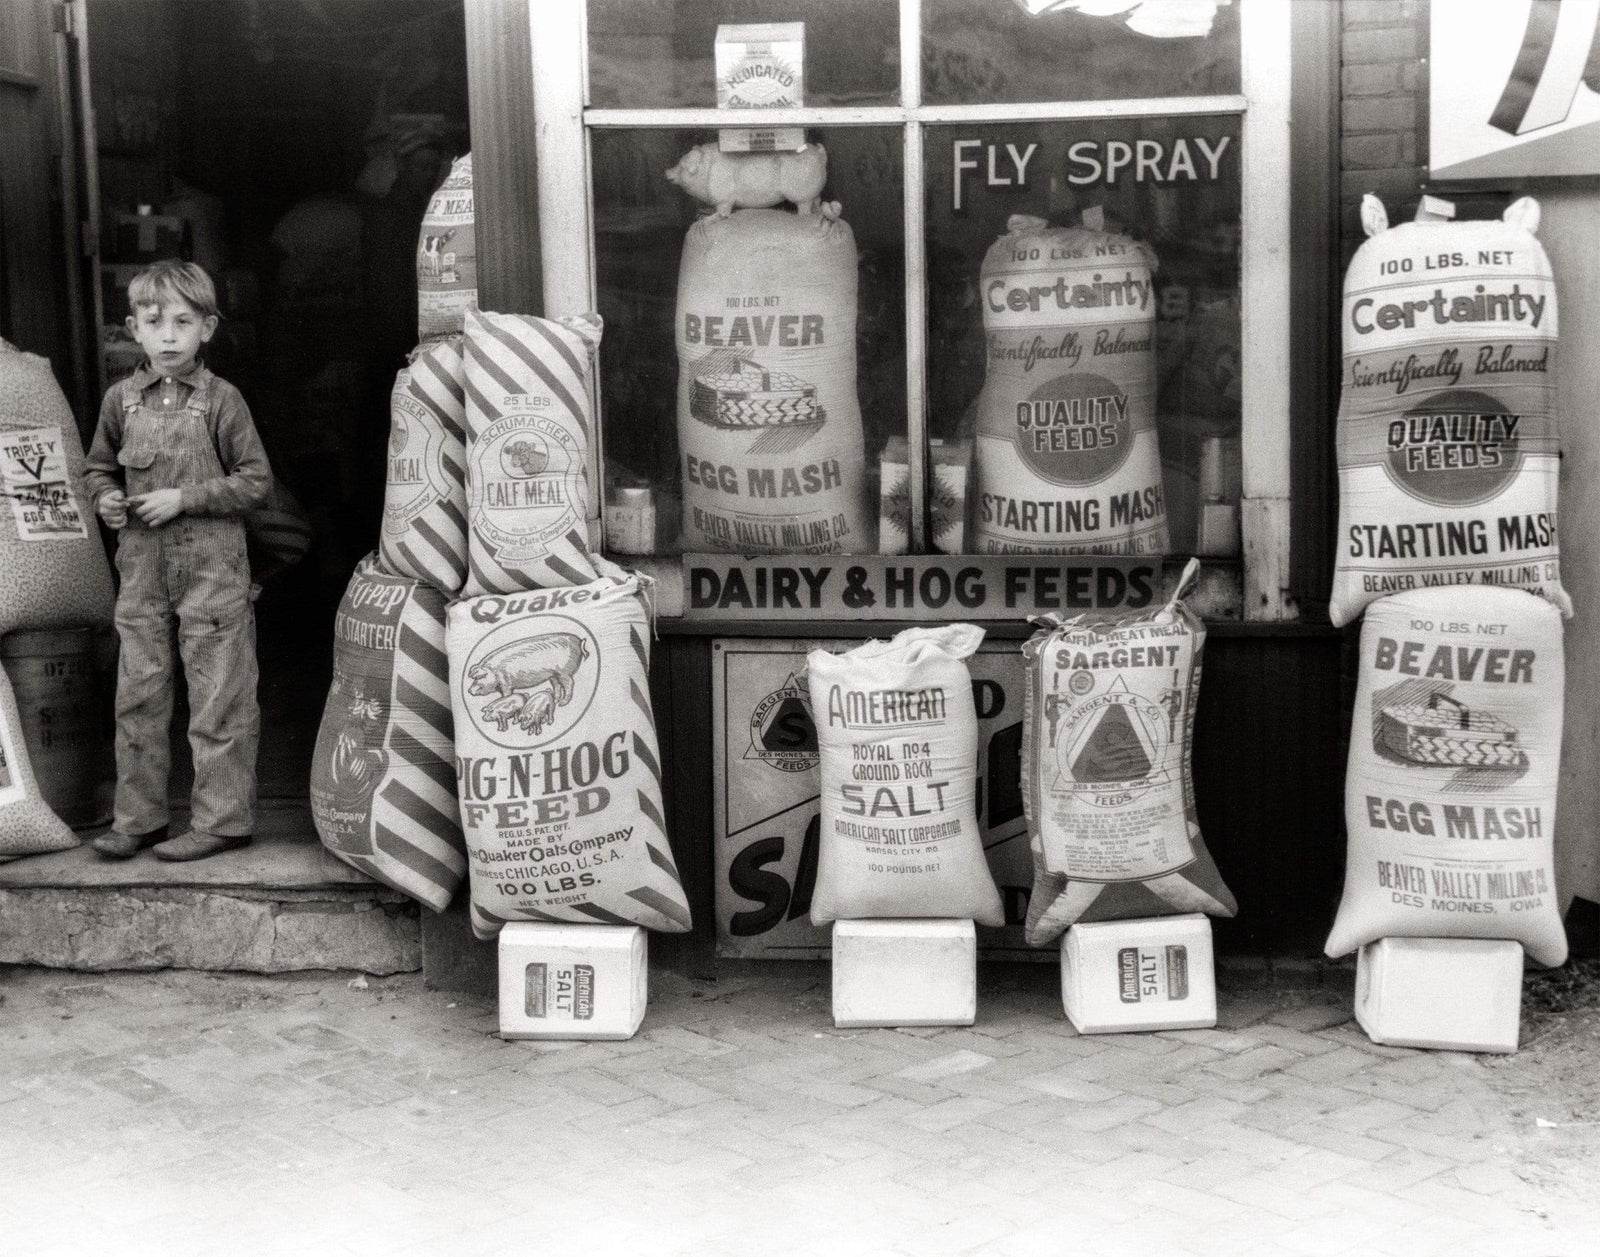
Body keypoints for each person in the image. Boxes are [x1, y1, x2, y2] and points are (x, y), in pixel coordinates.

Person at [83, 260, 271, 861]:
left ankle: (223, 821)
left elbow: (256, 481)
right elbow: (97, 468)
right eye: (154, 321)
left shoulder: (222, 401)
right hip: (142, 574)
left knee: (220, 698)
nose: (168, 336)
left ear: (207, 329)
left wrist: (185, 498)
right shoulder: (120, 401)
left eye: (183, 322)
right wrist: (107, 499)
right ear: (132, 329)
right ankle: (139, 820)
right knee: (138, 698)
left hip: (213, 574)